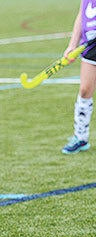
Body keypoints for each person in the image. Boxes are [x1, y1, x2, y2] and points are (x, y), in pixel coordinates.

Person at [62, 0, 96, 154]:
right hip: (90, 46)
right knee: (84, 90)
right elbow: (81, 16)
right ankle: (80, 137)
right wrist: (72, 44)